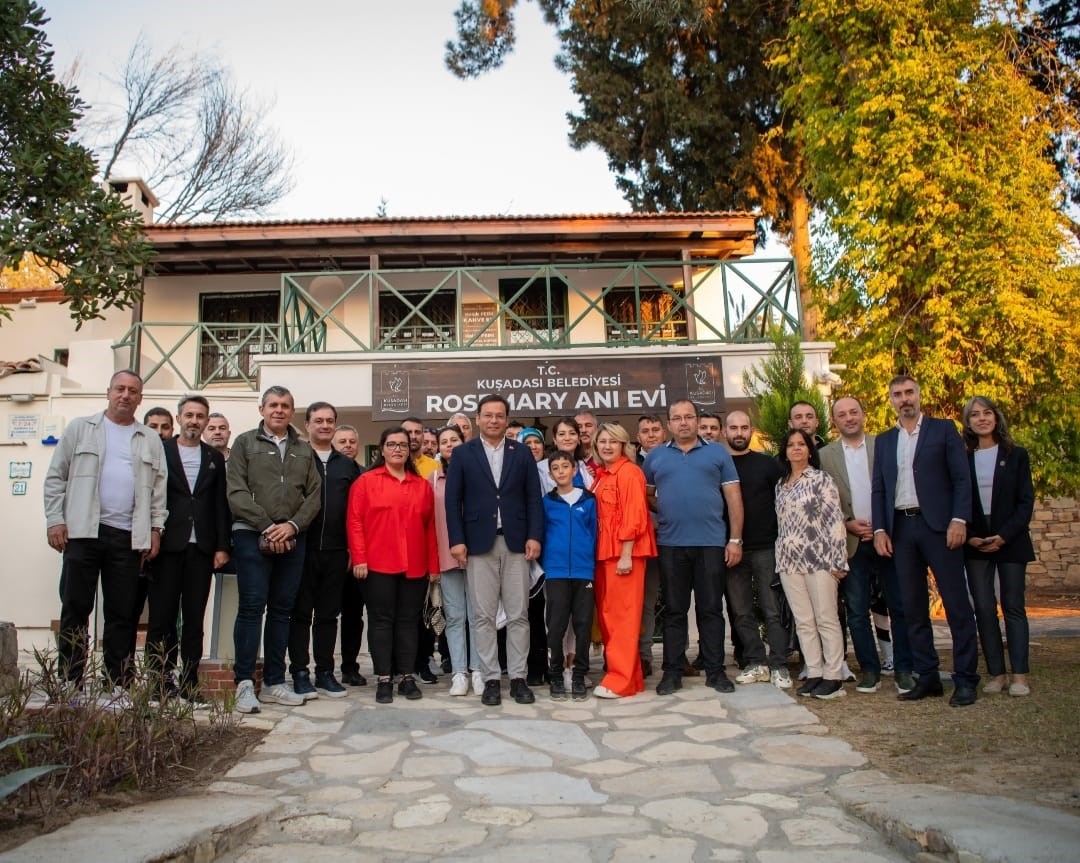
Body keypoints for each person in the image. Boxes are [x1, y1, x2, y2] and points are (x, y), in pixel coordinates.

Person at [44, 370, 167, 692]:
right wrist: (55, 520)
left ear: (140, 398)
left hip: (128, 536)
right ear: (108, 392)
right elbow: (56, 478)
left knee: (122, 612)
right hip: (83, 532)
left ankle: (117, 683)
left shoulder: (149, 439)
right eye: (120, 389)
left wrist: (155, 529)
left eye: (132, 391)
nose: (125, 395)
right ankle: (70, 679)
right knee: (75, 607)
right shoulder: (80, 429)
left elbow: (158, 490)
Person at [872, 375, 979, 707]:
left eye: (909, 393)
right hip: (901, 530)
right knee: (912, 608)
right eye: (897, 394)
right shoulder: (886, 440)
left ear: (919, 395)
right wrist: (879, 529)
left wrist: (959, 519)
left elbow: (962, 478)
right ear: (890, 400)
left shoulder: (943, 430)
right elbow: (879, 488)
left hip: (939, 527)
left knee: (956, 605)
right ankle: (928, 676)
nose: (904, 399)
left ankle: (965, 680)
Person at [445, 394, 544, 706]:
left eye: (499, 415)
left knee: (519, 614)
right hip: (478, 543)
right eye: (487, 415)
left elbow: (533, 498)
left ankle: (517, 678)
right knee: (483, 615)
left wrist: (534, 535)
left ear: (507, 419)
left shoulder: (522, 453)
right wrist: (457, 540)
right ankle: (489, 679)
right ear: (478, 419)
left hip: (516, 541)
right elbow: (452, 501)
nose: (493, 420)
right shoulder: (463, 453)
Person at [228, 385, 322, 713]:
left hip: (293, 537)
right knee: (253, 607)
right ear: (262, 409)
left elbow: (314, 495)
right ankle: (243, 683)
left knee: (283, 609)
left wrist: (292, 526)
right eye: (273, 405)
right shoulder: (244, 443)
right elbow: (236, 491)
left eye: (285, 406)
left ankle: (274, 682)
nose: (279, 410)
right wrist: (268, 525)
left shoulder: (304, 450)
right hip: (252, 534)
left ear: (292, 412)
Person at [643, 400, 744, 697]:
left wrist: (735, 539)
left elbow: (734, 498)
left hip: (711, 543)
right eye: (677, 418)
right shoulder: (655, 457)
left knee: (711, 609)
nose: (683, 422)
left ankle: (715, 671)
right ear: (669, 424)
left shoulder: (717, 452)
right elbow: (647, 495)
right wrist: (669, 511)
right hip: (671, 545)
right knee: (674, 611)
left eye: (689, 417)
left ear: (697, 421)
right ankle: (672, 672)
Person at [819, 397, 914, 695]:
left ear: (863, 415)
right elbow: (824, 501)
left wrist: (882, 525)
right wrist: (847, 522)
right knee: (857, 610)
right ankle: (870, 670)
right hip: (851, 542)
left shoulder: (884, 445)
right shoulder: (825, 456)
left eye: (853, 412)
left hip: (888, 537)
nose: (849, 418)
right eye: (841, 414)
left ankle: (903, 669)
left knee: (899, 605)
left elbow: (899, 487)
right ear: (834, 420)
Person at [347, 427, 439, 704]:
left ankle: (407, 677)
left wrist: (433, 566)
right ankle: (384, 678)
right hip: (376, 565)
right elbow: (354, 522)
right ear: (382, 450)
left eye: (403, 445)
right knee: (381, 621)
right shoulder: (365, 482)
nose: (398, 449)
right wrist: (360, 558)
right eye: (392, 444)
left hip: (414, 565)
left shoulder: (421, 485)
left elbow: (430, 528)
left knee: (409, 622)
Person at [147, 395, 229, 705]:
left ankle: (190, 681)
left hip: (202, 548)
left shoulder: (214, 457)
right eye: (189, 415)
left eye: (200, 416)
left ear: (206, 422)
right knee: (162, 617)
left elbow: (220, 503)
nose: (194, 420)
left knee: (194, 619)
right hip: (167, 546)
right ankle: (159, 679)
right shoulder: (161, 451)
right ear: (179, 418)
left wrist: (222, 546)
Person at [288, 402, 362, 700]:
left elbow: (356, 514)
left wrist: (352, 551)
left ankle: (325, 672)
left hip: (336, 552)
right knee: (301, 614)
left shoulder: (348, 466)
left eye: (330, 421)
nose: (324, 425)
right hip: (301, 550)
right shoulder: (296, 457)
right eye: (318, 421)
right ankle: (300, 672)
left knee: (329, 615)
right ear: (307, 424)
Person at [962, 396, 1035, 697]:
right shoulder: (962, 458)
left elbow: (1025, 501)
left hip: (1011, 540)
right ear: (967, 423)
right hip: (975, 540)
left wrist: (1004, 536)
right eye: (975, 415)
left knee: (1013, 607)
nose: (982, 419)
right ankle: (997, 673)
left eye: (987, 413)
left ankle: (1019, 676)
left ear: (996, 417)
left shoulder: (1016, 455)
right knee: (983, 608)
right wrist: (969, 536)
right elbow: (957, 501)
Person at [775, 429, 849, 699]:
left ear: (809, 450)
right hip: (789, 562)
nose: (796, 449)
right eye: (791, 444)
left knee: (826, 618)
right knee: (804, 621)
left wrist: (839, 560)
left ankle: (833, 675)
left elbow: (835, 522)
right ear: (785, 451)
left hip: (819, 559)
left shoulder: (822, 480)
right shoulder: (781, 484)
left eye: (801, 445)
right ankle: (815, 672)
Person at [722, 411, 792, 689]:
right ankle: (755, 662)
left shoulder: (768, 464)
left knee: (772, 609)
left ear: (752, 430)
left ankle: (778, 664)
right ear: (724, 431)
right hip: (731, 548)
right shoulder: (719, 465)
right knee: (740, 611)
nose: (739, 432)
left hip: (766, 547)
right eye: (733, 427)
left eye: (744, 427)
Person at [591, 423, 656, 698]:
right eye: (602, 441)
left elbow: (634, 516)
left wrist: (627, 555)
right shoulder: (602, 475)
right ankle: (632, 678)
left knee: (623, 619)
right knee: (609, 617)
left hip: (622, 554)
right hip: (606, 554)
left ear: (623, 445)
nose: (607, 446)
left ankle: (620, 679)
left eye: (613, 441)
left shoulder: (629, 472)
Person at [430, 425, 482, 697]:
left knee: (478, 616)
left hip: (477, 555)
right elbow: (429, 522)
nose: (449, 444)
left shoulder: (477, 473)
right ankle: (459, 672)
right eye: (444, 441)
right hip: (446, 556)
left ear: (464, 442)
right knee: (454, 616)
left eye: (454, 440)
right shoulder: (433, 478)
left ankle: (479, 670)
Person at [541, 451, 598, 701]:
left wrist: (590, 562)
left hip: (583, 570)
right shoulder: (547, 502)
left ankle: (579, 675)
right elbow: (542, 534)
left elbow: (595, 533)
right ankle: (555, 675)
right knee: (556, 625)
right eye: (556, 468)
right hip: (556, 571)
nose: (562, 471)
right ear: (551, 473)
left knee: (583, 624)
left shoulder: (589, 500)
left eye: (566, 466)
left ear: (575, 470)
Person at [332, 424, 368, 686]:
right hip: (330, 553)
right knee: (324, 614)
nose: (347, 445)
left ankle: (349, 666)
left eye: (352, 441)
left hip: (360, 556)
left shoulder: (366, 476)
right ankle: (322, 667)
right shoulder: (322, 472)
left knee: (354, 615)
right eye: (342, 441)